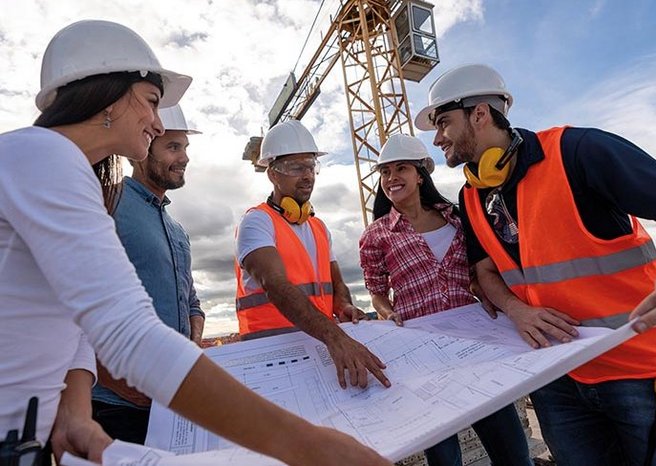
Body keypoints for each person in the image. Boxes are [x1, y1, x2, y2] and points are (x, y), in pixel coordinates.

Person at [0, 19, 390, 466]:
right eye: (150, 102)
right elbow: (126, 334)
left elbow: (72, 322)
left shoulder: (62, 171)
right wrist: (309, 447)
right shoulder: (44, 156)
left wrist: (73, 415)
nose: (156, 121)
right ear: (107, 95)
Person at [416, 63, 656, 465]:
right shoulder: (471, 196)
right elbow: (485, 272)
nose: (438, 138)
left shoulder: (578, 151)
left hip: (641, 367)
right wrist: (517, 310)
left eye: (443, 123)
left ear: (479, 113)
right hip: (558, 378)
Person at [359, 134, 532, 466]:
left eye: (401, 169)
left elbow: (476, 271)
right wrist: (387, 313)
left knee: (512, 453)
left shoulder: (456, 217)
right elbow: (377, 291)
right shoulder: (376, 234)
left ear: (421, 174)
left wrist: (488, 295)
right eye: (385, 173)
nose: (391, 178)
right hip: (423, 355)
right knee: (444, 459)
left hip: (474, 346)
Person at [235, 119, 390, 390]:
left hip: (315, 349)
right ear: (272, 173)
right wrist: (336, 337)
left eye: (311, 166)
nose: (307, 175)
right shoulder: (257, 222)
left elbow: (336, 284)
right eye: (297, 167)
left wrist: (343, 307)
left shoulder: (318, 227)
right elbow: (276, 286)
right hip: (271, 359)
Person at [91, 104, 205, 444]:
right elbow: (70, 299)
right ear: (141, 152)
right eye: (173, 147)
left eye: (185, 147)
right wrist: (111, 378)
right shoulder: (106, 204)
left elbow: (192, 303)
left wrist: (193, 341)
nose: (184, 157)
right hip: (113, 407)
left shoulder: (178, 231)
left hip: (168, 401)